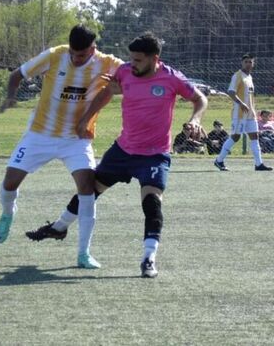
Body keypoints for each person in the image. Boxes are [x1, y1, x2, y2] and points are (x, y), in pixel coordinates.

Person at [25, 32, 208, 278]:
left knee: (152, 204)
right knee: (89, 190)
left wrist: (195, 119)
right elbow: (107, 93)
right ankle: (59, 227)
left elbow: (200, 99)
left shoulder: (171, 78)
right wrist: (85, 119)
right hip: (123, 150)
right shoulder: (124, 72)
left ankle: (148, 259)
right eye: (130, 58)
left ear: (155, 59)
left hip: (154, 155)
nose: (132, 64)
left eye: (138, 60)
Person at [0, 24, 124, 270]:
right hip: (39, 134)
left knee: (87, 188)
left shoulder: (107, 63)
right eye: (73, 54)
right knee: (10, 182)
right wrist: (11, 96)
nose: (76, 59)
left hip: (76, 139)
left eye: (82, 55)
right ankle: (8, 212)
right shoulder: (55, 55)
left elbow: (133, 73)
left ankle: (83, 254)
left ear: (93, 49)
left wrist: (122, 86)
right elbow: (16, 75)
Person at [213, 53, 273, 171]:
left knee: (254, 137)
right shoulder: (237, 76)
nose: (248, 64)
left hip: (250, 114)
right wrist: (241, 103)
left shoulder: (249, 77)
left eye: (250, 62)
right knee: (235, 137)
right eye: (246, 62)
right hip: (239, 114)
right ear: (242, 63)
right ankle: (219, 160)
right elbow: (231, 92)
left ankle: (259, 164)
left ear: (253, 64)